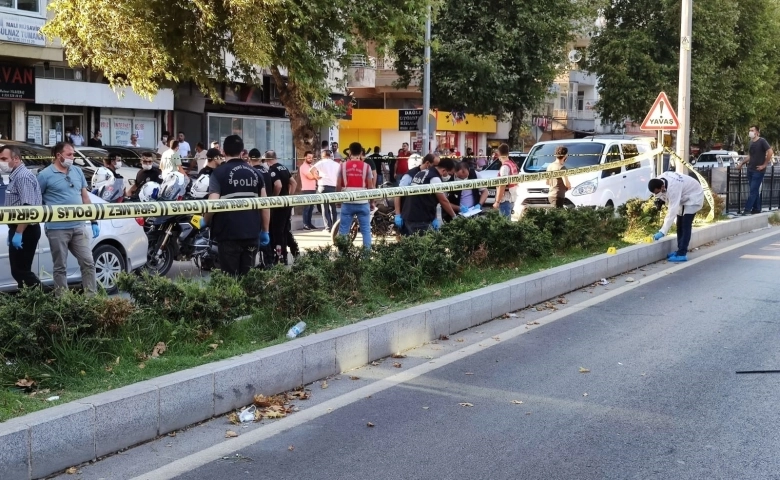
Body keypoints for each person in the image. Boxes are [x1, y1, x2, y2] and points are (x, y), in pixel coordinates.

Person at [37, 142, 98, 295]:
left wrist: (93, 220)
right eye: (69, 154)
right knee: (60, 267)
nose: (73, 157)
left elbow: (85, 198)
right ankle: (62, 303)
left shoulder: (77, 171)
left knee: (88, 262)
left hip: (78, 226)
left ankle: (92, 300)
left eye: (73, 154)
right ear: (59, 155)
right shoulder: (44, 175)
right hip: (57, 229)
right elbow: (38, 201)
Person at [204, 135, 270, 276]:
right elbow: (265, 205)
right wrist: (265, 231)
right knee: (248, 280)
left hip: (228, 235)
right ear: (242, 151)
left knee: (230, 282)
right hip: (252, 234)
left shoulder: (218, 173)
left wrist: (205, 220)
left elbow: (213, 203)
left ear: (223, 151)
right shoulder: (256, 173)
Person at [1, 145, 42, 289]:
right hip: (20, 229)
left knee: (21, 271)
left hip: (25, 230)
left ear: (16, 159)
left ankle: (42, 297)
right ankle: (29, 303)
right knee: (20, 272)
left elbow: (28, 208)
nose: (1, 162)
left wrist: (18, 233)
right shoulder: (16, 176)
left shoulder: (22, 177)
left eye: (4, 159)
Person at [649, 171, 704, 262]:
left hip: (694, 197)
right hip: (684, 197)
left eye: (658, 192)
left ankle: (682, 254)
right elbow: (667, 197)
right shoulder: (660, 179)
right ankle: (679, 250)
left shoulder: (673, 187)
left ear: (662, 187)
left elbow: (672, 211)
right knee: (679, 225)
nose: (657, 195)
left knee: (685, 225)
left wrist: (663, 231)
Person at [397, 158, 458, 235]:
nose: (449, 177)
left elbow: (431, 198)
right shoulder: (435, 178)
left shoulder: (423, 172)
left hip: (408, 216)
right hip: (420, 219)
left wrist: (434, 217)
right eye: (450, 174)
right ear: (444, 171)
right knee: (427, 244)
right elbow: (443, 201)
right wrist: (454, 217)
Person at [336, 142, 373, 249]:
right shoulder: (367, 167)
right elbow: (370, 187)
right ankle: (366, 257)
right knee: (366, 230)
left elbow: (338, 185)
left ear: (350, 152)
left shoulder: (342, 166)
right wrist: (372, 202)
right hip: (363, 202)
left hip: (347, 202)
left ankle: (342, 257)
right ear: (361, 152)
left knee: (343, 230)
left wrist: (337, 201)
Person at [265, 150, 297, 264]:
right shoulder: (284, 168)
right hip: (287, 203)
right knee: (284, 230)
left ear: (268, 160)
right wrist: (289, 196)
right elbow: (294, 183)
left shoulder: (272, 170)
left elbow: (278, 185)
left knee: (277, 231)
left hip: (279, 206)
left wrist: (274, 198)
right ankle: (288, 253)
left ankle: (279, 256)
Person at [735, 125, 773, 215]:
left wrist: (764, 165)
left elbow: (770, 152)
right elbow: (750, 156)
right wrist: (741, 163)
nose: (750, 132)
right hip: (750, 169)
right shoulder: (751, 142)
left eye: (752, 130)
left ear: (757, 132)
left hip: (758, 170)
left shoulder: (762, 141)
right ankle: (756, 209)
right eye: (749, 130)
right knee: (754, 190)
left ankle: (747, 210)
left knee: (753, 191)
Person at [394, 153, 439, 220]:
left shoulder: (432, 176)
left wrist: (434, 217)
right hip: (410, 216)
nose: (437, 168)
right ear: (427, 163)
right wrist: (398, 214)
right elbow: (398, 194)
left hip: (426, 216)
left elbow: (432, 198)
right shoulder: (410, 175)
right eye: (435, 166)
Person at [312, 149, 340, 231]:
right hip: (333, 187)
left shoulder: (321, 162)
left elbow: (311, 169)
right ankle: (335, 226)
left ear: (323, 156)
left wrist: (316, 177)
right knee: (333, 208)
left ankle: (328, 227)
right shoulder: (336, 164)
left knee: (325, 208)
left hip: (323, 187)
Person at [493, 143, 519, 217]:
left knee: (505, 225)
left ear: (499, 154)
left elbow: (502, 185)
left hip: (505, 199)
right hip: (511, 198)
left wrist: (497, 201)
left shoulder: (504, 167)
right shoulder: (512, 164)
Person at [299, 150, 318, 230]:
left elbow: (316, 174)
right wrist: (316, 176)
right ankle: (305, 224)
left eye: (312, 158)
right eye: (309, 157)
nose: (310, 159)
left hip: (313, 189)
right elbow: (310, 176)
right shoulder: (303, 167)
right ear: (305, 157)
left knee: (311, 208)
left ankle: (309, 223)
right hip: (306, 189)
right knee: (306, 208)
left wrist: (316, 175)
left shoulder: (311, 166)